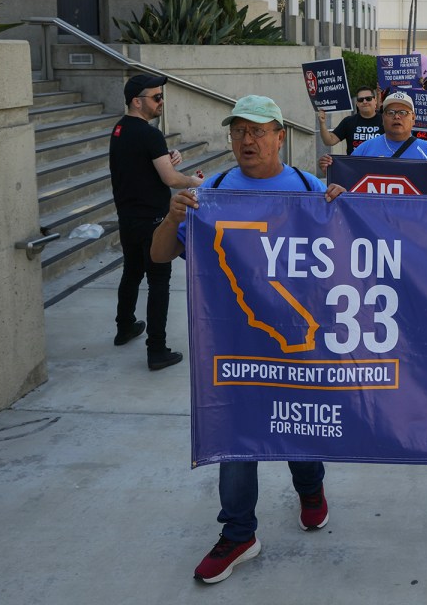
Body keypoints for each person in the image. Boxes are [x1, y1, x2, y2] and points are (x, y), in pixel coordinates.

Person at [150, 95, 346, 584]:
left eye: (258, 130)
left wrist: (346, 209)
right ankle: (239, 533)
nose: (247, 140)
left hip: (297, 344)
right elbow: (157, 255)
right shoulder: (209, 191)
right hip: (233, 348)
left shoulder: (310, 188)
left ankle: (311, 489)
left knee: (299, 427)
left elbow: (355, 253)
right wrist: (174, 216)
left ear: (281, 135)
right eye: (238, 131)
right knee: (235, 437)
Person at [108, 73, 204, 371]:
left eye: (162, 96)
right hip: (153, 219)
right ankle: (157, 349)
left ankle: (124, 327)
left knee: (132, 272)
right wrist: (196, 181)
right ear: (137, 102)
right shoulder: (149, 134)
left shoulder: (120, 130)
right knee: (159, 282)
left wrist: (166, 157)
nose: (161, 102)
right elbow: (171, 179)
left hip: (128, 218)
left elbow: (142, 165)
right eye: (156, 97)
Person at [349, 91, 427, 161]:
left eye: (403, 112)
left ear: (413, 118)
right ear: (383, 118)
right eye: (390, 112)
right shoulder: (365, 150)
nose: (397, 116)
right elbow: (347, 178)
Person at [316, 85, 382, 172]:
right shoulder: (349, 121)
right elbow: (329, 141)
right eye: (360, 100)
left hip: (379, 168)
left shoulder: (385, 120)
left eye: (368, 98)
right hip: (355, 169)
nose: (364, 101)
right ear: (357, 104)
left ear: (375, 100)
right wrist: (322, 123)